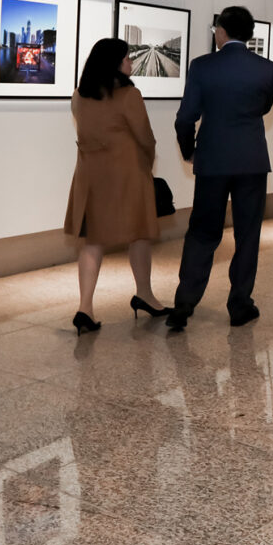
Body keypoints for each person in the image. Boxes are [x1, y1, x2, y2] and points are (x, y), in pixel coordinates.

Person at [169, 6, 273, 332]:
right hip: (252, 161)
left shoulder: (202, 67)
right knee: (247, 234)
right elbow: (264, 106)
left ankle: (184, 305)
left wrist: (190, 151)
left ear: (221, 32)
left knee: (203, 231)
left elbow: (186, 117)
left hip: (213, 160)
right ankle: (240, 304)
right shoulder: (264, 68)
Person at [64, 38, 170, 334]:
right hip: (126, 177)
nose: (131, 64)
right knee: (139, 235)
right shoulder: (129, 95)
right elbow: (146, 138)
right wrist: (146, 165)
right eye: (126, 58)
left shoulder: (78, 96)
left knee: (93, 241)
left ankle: (85, 307)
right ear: (114, 62)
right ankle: (145, 295)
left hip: (90, 177)